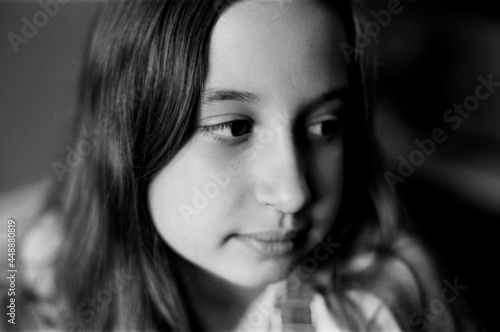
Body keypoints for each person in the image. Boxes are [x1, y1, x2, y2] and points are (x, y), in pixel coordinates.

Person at [4, 0, 480, 331]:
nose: (293, 193)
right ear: (128, 136)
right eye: (234, 128)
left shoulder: (373, 312)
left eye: (324, 126)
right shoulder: (45, 263)